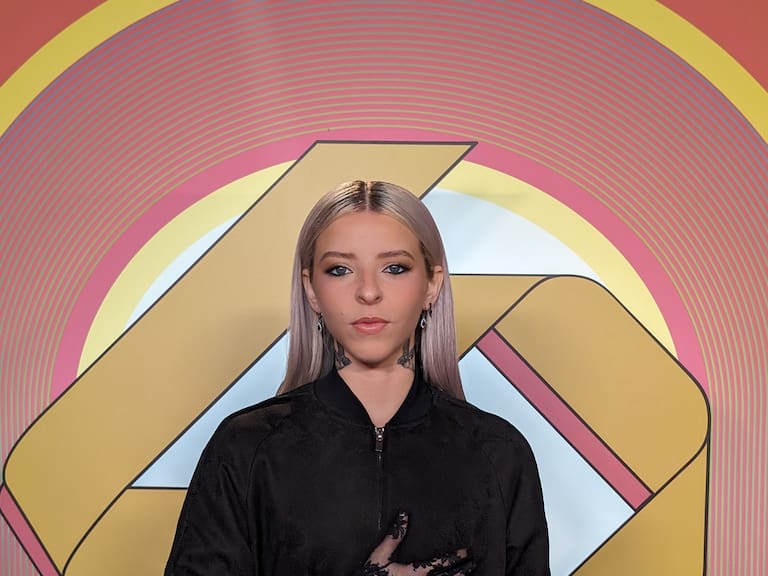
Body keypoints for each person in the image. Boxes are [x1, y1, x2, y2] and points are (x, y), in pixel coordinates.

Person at [165, 180, 550, 575]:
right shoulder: (246, 449)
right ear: (311, 289)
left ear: (432, 285)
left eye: (395, 268)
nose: (368, 292)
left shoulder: (499, 454)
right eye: (340, 269)